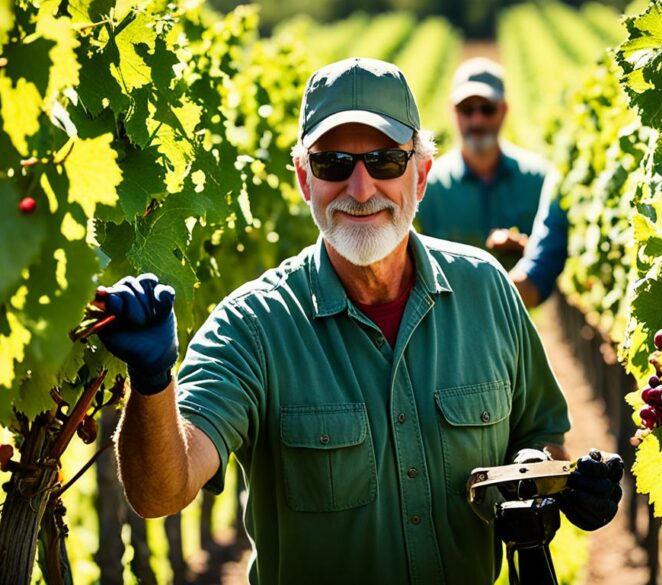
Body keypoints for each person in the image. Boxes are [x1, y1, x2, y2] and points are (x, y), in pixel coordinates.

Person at [100, 57, 622, 584]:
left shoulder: (487, 291)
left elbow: (541, 436)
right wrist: (151, 382)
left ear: (420, 174)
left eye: (384, 161)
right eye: (333, 164)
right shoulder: (252, 326)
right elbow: (160, 492)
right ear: (305, 179)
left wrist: (553, 477)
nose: (361, 187)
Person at [417, 57, 549, 269]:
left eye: (487, 109)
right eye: (467, 110)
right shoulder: (428, 188)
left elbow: (556, 258)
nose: (477, 120)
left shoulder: (538, 179)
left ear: (504, 110)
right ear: (453, 112)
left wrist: (525, 248)